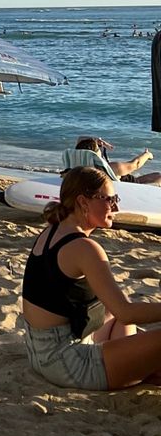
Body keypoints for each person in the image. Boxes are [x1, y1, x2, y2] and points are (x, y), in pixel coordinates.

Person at [21, 166, 161, 391]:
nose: (116, 207)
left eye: (116, 199)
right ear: (83, 202)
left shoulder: (51, 232)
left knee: (115, 312)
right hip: (69, 363)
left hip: (40, 353)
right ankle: (139, 369)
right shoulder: (85, 248)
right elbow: (127, 313)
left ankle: (137, 368)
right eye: (109, 199)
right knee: (128, 315)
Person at [74, 136, 161, 185]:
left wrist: (97, 141)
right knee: (159, 176)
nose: (100, 149)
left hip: (123, 180)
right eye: (98, 148)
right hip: (131, 185)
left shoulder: (77, 166)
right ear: (95, 153)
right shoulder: (111, 167)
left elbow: (80, 139)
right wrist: (147, 155)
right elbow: (136, 164)